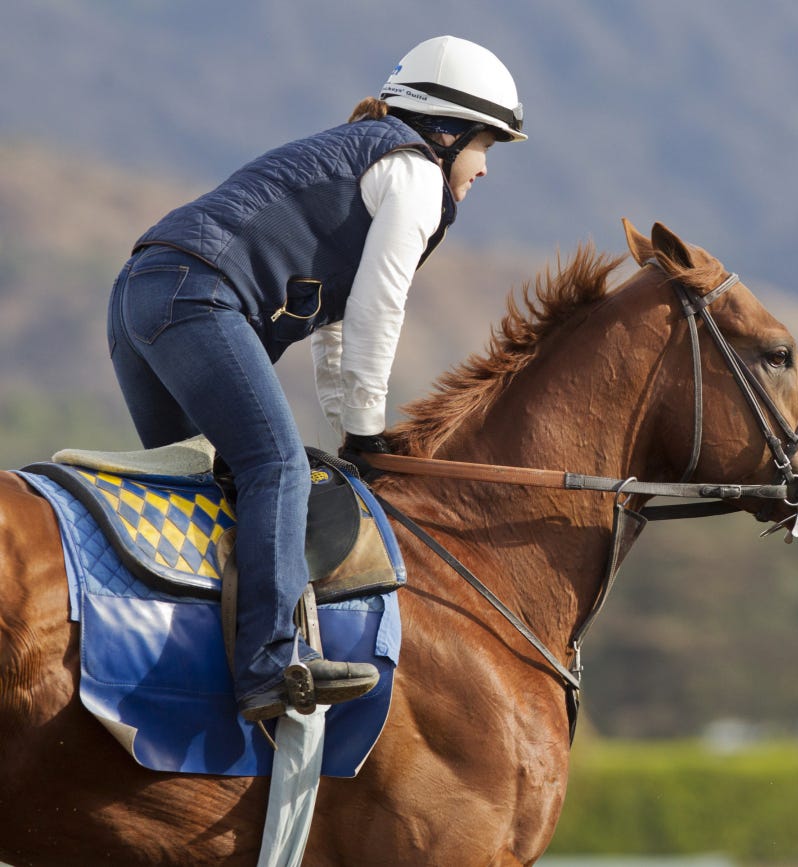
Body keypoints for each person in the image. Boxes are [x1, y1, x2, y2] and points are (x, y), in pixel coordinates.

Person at [105, 35, 526, 721]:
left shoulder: (367, 160)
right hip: (194, 298)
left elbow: (334, 329)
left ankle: (179, 661)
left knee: (197, 489)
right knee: (276, 467)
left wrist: (348, 431)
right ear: (446, 133)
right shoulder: (415, 174)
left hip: (138, 296)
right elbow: (378, 310)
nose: (484, 169)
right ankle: (271, 666)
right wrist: (365, 432)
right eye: (486, 146)